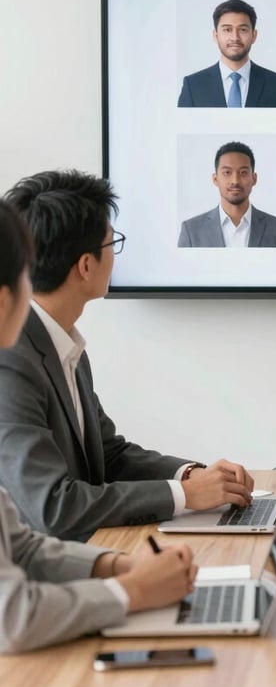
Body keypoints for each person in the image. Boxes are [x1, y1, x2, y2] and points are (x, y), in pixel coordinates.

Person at [0, 170, 256, 542]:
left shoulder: (63, 344)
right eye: (111, 244)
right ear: (86, 266)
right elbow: (53, 507)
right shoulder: (12, 360)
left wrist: (189, 475)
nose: (115, 257)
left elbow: (109, 455)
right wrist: (184, 496)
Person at [0, 199, 196, 652]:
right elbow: (13, 615)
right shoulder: (13, 364)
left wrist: (117, 566)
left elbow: (21, 546)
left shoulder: (66, 346)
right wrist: (135, 591)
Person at [177, 0, 276, 108]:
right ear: (215, 36)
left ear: (254, 35)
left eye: (243, 30)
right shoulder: (193, 85)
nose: (235, 38)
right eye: (227, 30)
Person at [178, 141, 276, 248]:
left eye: (243, 173)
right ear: (215, 179)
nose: (235, 181)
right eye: (227, 172)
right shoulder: (191, 231)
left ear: (254, 179)